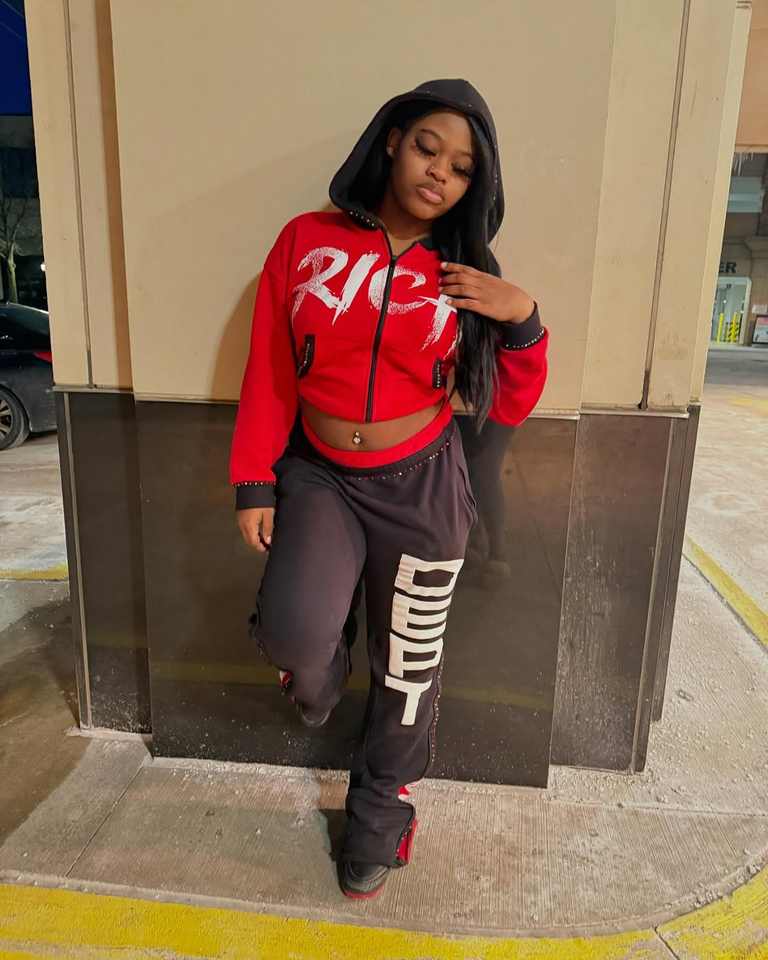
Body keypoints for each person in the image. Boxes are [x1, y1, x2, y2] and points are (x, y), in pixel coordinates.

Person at [229, 78, 549, 899]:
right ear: (392, 142)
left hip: (424, 484)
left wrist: (522, 317)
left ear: (476, 184)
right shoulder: (306, 239)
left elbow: (508, 402)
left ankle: (379, 814)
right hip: (319, 475)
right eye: (427, 148)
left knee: (408, 669)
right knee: (295, 636)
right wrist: (254, 478)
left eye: (463, 168)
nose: (440, 172)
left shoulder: (466, 274)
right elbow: (269, 367)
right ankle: (318, 670)